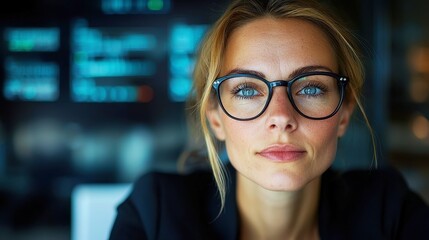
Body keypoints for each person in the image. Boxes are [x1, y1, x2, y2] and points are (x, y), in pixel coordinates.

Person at [109, 0, 429, 239]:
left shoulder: (389, 210)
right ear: (216, 117)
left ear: (345, 112)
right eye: (248, 90)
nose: (280, 117)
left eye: (312, 88)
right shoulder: (155, 214)